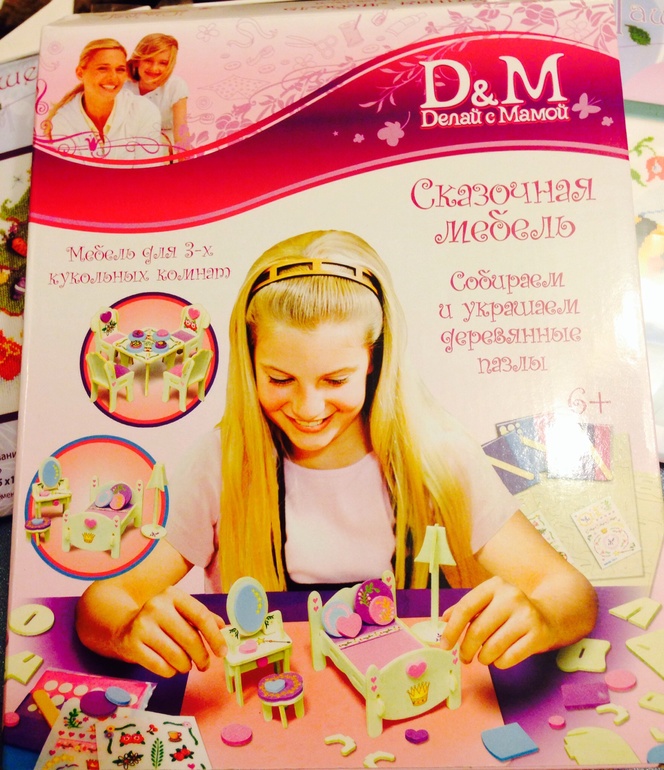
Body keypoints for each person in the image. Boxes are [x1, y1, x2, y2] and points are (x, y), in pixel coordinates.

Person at [75, 230, 597, 678]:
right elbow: (102, 604)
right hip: (269, 702)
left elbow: (569, 592)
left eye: (335, 380)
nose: (308, 408)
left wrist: (542, 618)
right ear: (250, 363)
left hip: (413, 695)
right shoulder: (220, 461)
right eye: (280, 378)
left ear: (374, 360)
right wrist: (126, 629)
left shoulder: (438, 456)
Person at [44, 38, 165, 161]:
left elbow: (149, 169)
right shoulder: (63, 121)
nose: (113, 78)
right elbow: (72, 172)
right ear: (80, 73)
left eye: (120, 70)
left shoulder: (144, 110)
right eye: (103, 68)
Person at [125, 33, 190, 152]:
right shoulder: (124, 85)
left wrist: (186, 160)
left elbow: (181, 131)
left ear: (170, 65)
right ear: (137, 61)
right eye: (148, 60)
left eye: (163, 63)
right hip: (130, 140)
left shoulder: (175, 86)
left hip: (164, 141)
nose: (154, 68)